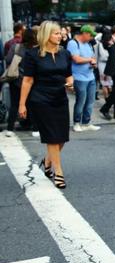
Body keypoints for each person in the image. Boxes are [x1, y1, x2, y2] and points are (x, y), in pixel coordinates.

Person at [18, 21, 73, 189]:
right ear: (47, 35)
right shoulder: (33, 54)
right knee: (52, 137)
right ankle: (58, 172)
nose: (60, 35)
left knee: (62, 137)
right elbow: (27, 81)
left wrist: (70, 84)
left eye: (60, 33)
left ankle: (47, 161)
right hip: (41, 99)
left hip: (60, 98)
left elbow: (68, 75)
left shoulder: (65, 53)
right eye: (56, 33)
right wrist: (22, 105)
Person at [67, 25, 101, 132]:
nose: (92, 38)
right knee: (80, 101)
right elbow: (76, 59)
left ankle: (86, 122)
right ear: (85, 33)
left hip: (90, 76)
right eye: (91, 35)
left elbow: (92, 58)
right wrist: (90, 60)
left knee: (90, 101)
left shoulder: (88, 44)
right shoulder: (73, 43)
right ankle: (76, 123)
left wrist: (93, 63)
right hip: (79, 77)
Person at [5, 29, 38, 137]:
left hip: (16, 79)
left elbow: (8, 60)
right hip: (31, 80)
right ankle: (35, 129)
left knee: (15, 104)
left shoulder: (16, 47)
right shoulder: (36, 49)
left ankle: (10, 129)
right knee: (31, 104)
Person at [95, 29, 113, 100]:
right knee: (110, 83)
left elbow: (96, 55)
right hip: (109, 64)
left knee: (104, 83)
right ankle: (110, 99)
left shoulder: (98, 44)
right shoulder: (111, 43)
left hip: (101, 65)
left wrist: (95, 64)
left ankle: (107, 99)